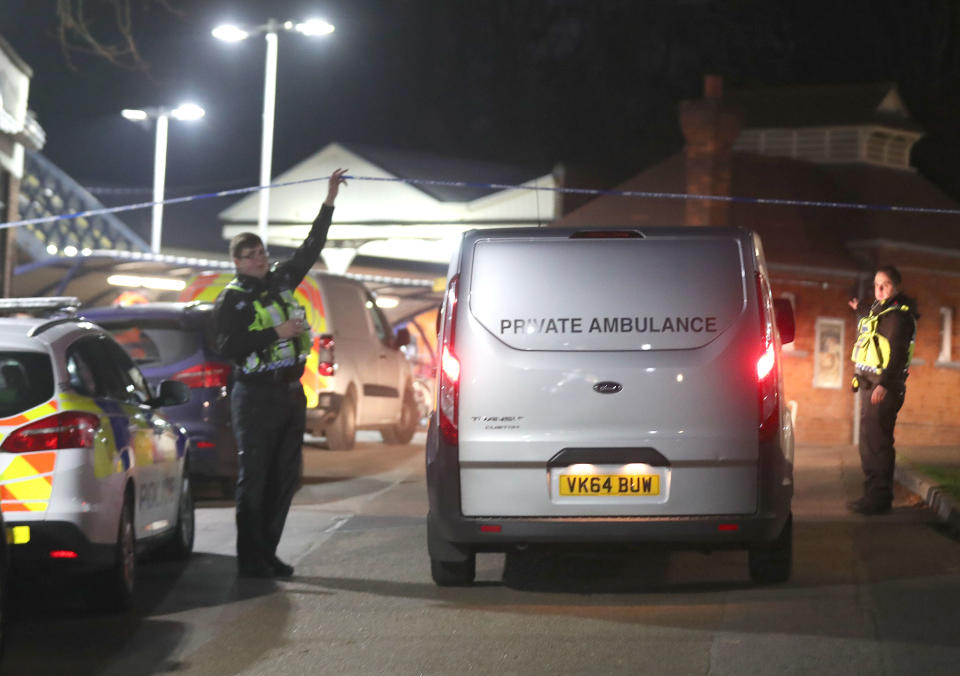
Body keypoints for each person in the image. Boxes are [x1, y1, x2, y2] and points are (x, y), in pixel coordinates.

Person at [213, 168, 348, 577]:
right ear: (237, 262)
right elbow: (228, 347)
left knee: (285, 477)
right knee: (254, 478)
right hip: (254, 396)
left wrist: (329, 200)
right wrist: (278, 332)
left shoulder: (283, 279)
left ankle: (268, 552)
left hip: (290, 393)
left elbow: (312, 246)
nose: (260, 258)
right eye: (251, 255)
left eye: (262, 252)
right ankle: (250, 559)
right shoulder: (231, 300)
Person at [846, 265, 918, 516]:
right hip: (870, 384)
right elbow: (871, 313)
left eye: (885, 284)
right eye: (876, 284)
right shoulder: (881, 311)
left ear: (896, 287)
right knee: (868, 443)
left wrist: (884, 385)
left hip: (882, 387)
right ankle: (872, 496)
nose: (878, 289)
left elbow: (897, 355)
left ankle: (879, 499)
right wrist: (858, 307)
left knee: (877, 444)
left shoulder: (898, 317)